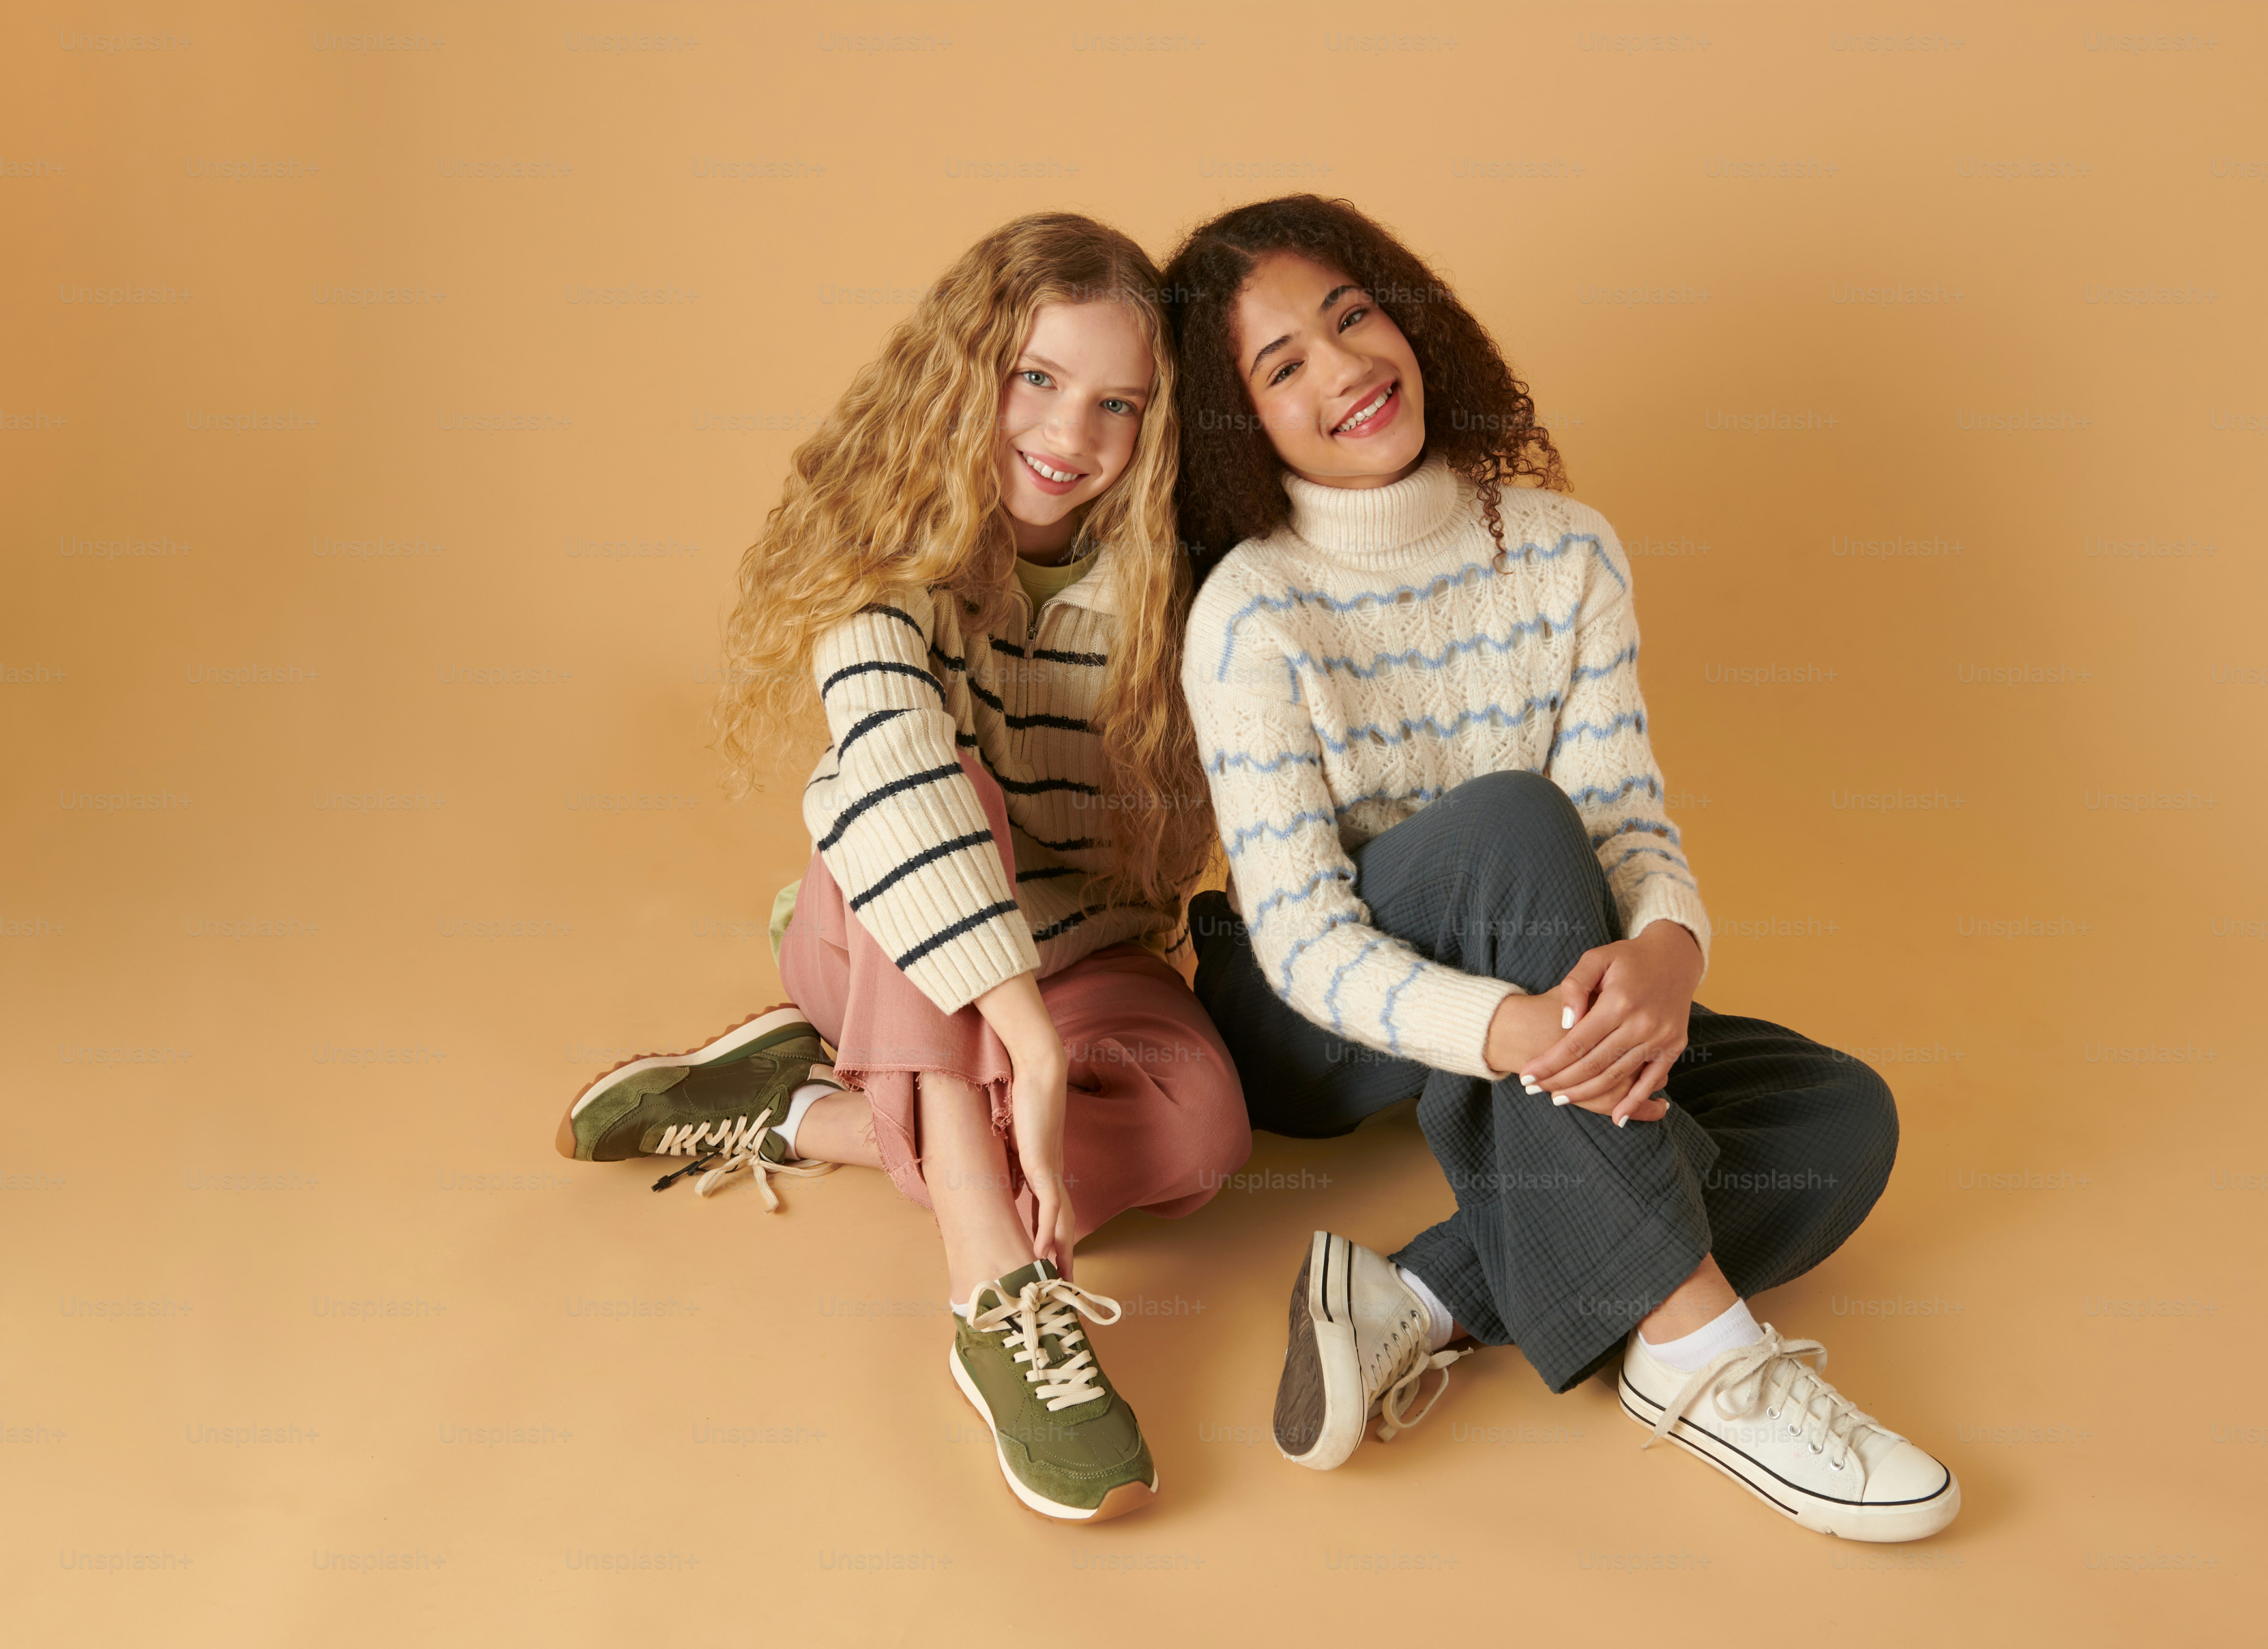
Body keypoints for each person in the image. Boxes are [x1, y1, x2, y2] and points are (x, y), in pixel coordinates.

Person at [1163, 195, 1957, 1541]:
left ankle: (1418, 1295)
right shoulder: (1252, 611)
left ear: (1409, 314)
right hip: (1308, 1026)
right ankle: (1704, 1358)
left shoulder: (1564, 552)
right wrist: (1519, 1028)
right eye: (1282, 364)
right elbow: (1303, 942)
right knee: (1515, 825)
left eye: (1352, 315)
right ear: (1242, 424)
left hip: (1540, 979)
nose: (1345, 368)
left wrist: (1665, 954)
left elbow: (1627, 821)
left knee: (1840, 1117)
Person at [554, 213, 1250, 1525]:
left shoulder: (1172, 572)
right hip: (876, 927)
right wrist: (1031, 1054)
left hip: (1081, 950)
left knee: (1202, 1135)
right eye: (1036, 381)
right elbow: (900, 779)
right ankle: (996, 1296)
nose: (1070, 437)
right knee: (931, 795)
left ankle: (798, 1112)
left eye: (1118, 404)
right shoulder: (889, 546)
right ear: (968, 372)